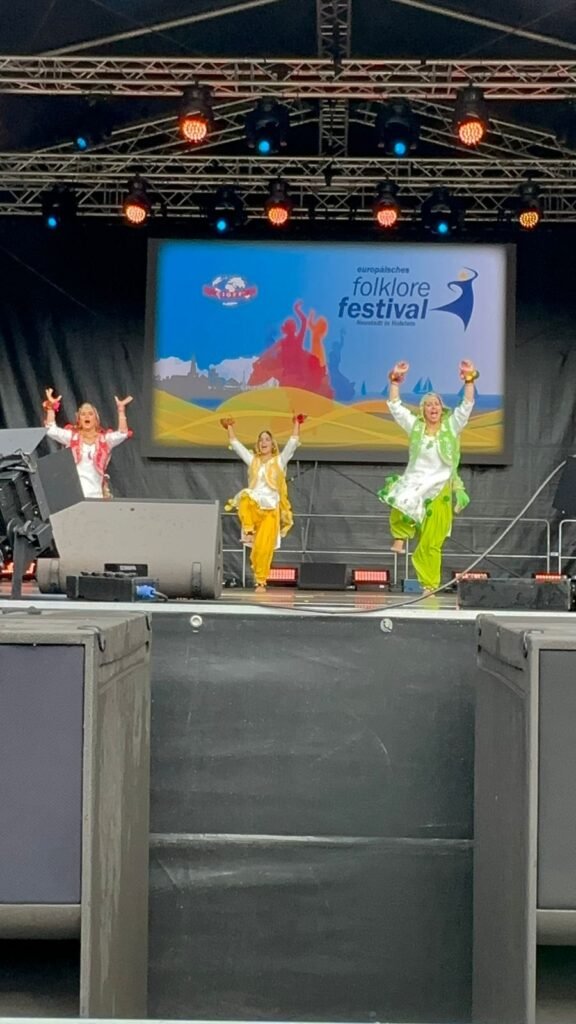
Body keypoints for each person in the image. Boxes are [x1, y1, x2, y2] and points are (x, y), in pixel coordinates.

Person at [377, 359, 479, 594]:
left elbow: (467, 405)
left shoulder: (451, 427)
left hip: (441, 488)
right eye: (428, 404)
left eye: (436, 404)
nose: (433, 407)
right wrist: (395, 382)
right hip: (416, 481)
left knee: (432, 542)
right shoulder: (415, 427)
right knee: (400, 498)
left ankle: (429, 585)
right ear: (423, 410)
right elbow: (395, 406)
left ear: (442, 409)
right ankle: (401, 536)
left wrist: (469, 380)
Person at [222, 415, 305, 591]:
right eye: (261, 440)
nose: (263, 442)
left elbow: (292, 443)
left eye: (267, 439)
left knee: (262, 549)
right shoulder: (253, 461)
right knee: (245, 497)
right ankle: (249, 530)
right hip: (254, 507)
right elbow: (236, 445)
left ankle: (260, 581)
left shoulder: (279, 461)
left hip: (270, 510)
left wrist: (297, 424)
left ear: (272, 443)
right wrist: (229, 427)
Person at [42, 388, 133, 499]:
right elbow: (51, 430)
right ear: (79, 419)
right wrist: (51, 408)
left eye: (90, 414)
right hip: (73, 495)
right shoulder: (72, 437)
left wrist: (121, 410)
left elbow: (122, 434)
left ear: (96, 419)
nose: (86, 417)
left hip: (96, 496)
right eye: (83, 414)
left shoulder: (104, 440)